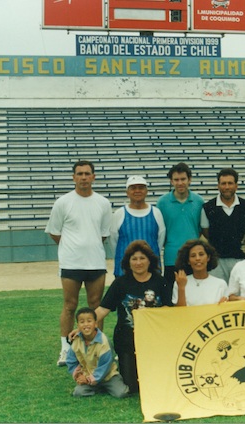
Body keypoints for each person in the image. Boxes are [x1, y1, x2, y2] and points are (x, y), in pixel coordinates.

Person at [45, 160, 112, 367]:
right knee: (69, 306)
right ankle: (66, 349)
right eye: (79, 174)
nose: (83, 177)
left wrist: (88, 248)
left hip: (95, 263)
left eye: (87, 174)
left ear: (93, 177)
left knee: (96, 307)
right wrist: (73, 249)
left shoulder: (103, 203)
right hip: (71, 263)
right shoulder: (63, 202)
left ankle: (97, 348)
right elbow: (55, 233)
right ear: (74, 177)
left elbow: (103, 234)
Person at [94, 240, 171, 393]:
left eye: (142, 258)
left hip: (153, 341)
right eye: (134, 259)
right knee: (133, 387)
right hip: (126, 341)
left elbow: (169, 310)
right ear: (128, 262)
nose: (138, 262)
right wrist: (84, 326)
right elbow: (103, 309)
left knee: (154, 383)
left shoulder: (160, 282)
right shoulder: (120, 283)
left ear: (150, 260)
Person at [156, 162, 205, 304]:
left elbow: (200, 228)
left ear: (190, 179)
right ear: (171, 181)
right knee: (172, 298)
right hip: (172, 258)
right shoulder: (162, 202)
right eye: (176, 180)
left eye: (183, 179)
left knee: (194, 297)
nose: (180, 183)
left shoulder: (198, 201)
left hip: (193, 258)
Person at [201, 168, 245, 282]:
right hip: (217, 262)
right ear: (218, 186)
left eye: (230, 183)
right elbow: (206, 233)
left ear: (236, 185)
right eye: (223, 183)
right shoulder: (208, 207)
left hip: (241, 260)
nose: (227, 187)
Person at [66, 307, 129, 399]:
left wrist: (89, 380)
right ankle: (98, 387)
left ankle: (103, 386)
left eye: (89, 321)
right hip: (88, 375)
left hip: (108, 376)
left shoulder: (104, 342)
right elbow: (71, 360)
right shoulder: (76, 340)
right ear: (78, 325)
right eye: (82, 322)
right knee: (78, 393)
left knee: (121, 393)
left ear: (95, 324)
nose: (86, 324)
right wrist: (79, 375)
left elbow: (105, 366)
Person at [109, 175, 166, 277]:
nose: (137, 191)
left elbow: (160, 240)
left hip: (151, 270)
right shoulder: (119, 213)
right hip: (125, 271)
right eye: (133, 188)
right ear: (127, 192)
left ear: (146, 191)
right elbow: (114, 242)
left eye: (141, 188)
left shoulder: (156, 213)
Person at [172, 239, 228, 306]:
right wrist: (181, 288)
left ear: (208, 257)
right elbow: (179, 312)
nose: (197, 258)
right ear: (188, 261)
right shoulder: (180, 283)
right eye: (193, 256)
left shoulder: (221, 284)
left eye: (201, 254)